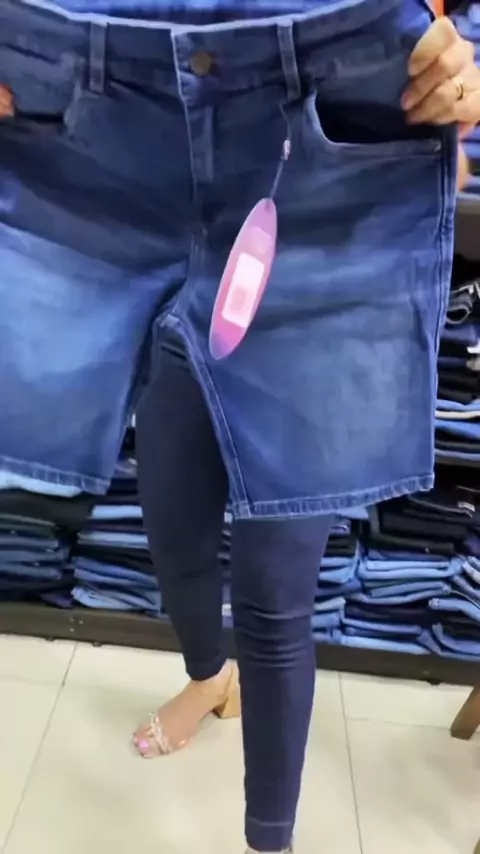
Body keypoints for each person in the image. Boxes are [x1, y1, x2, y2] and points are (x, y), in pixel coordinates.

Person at [1, 6, 480, 854]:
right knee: (172, 531)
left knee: (272, 592)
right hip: (121, 141)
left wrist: (458, 74)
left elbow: (448, 57)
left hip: (316, 188)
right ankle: (207, 678)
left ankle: (270, 841)